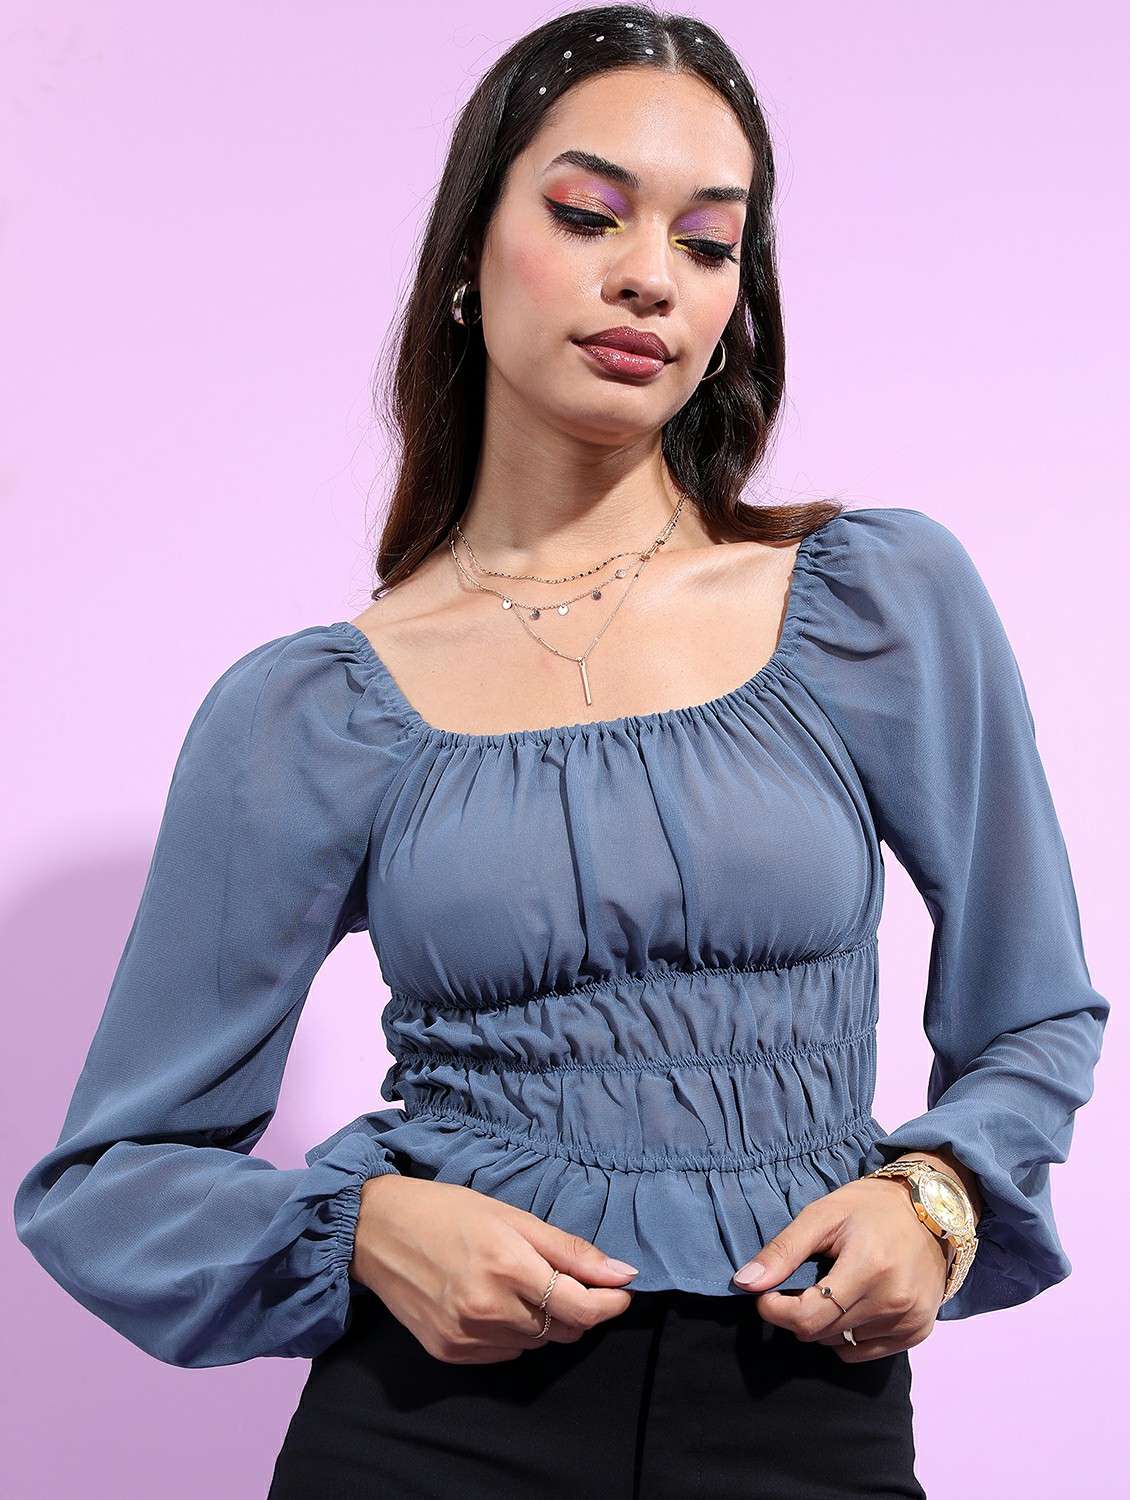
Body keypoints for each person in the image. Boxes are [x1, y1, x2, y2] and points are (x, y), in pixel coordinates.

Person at [13, 7, 1108, 1498]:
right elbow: (111, 1178)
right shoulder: (309, 712)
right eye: (589, 214)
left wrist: (937, 1197)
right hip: (429, 1435)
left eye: (709, 244)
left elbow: (1034, 1008)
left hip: (805, 1411)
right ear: (469, 253)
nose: (650, 275)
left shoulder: (879, 601)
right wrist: (366, 1229)